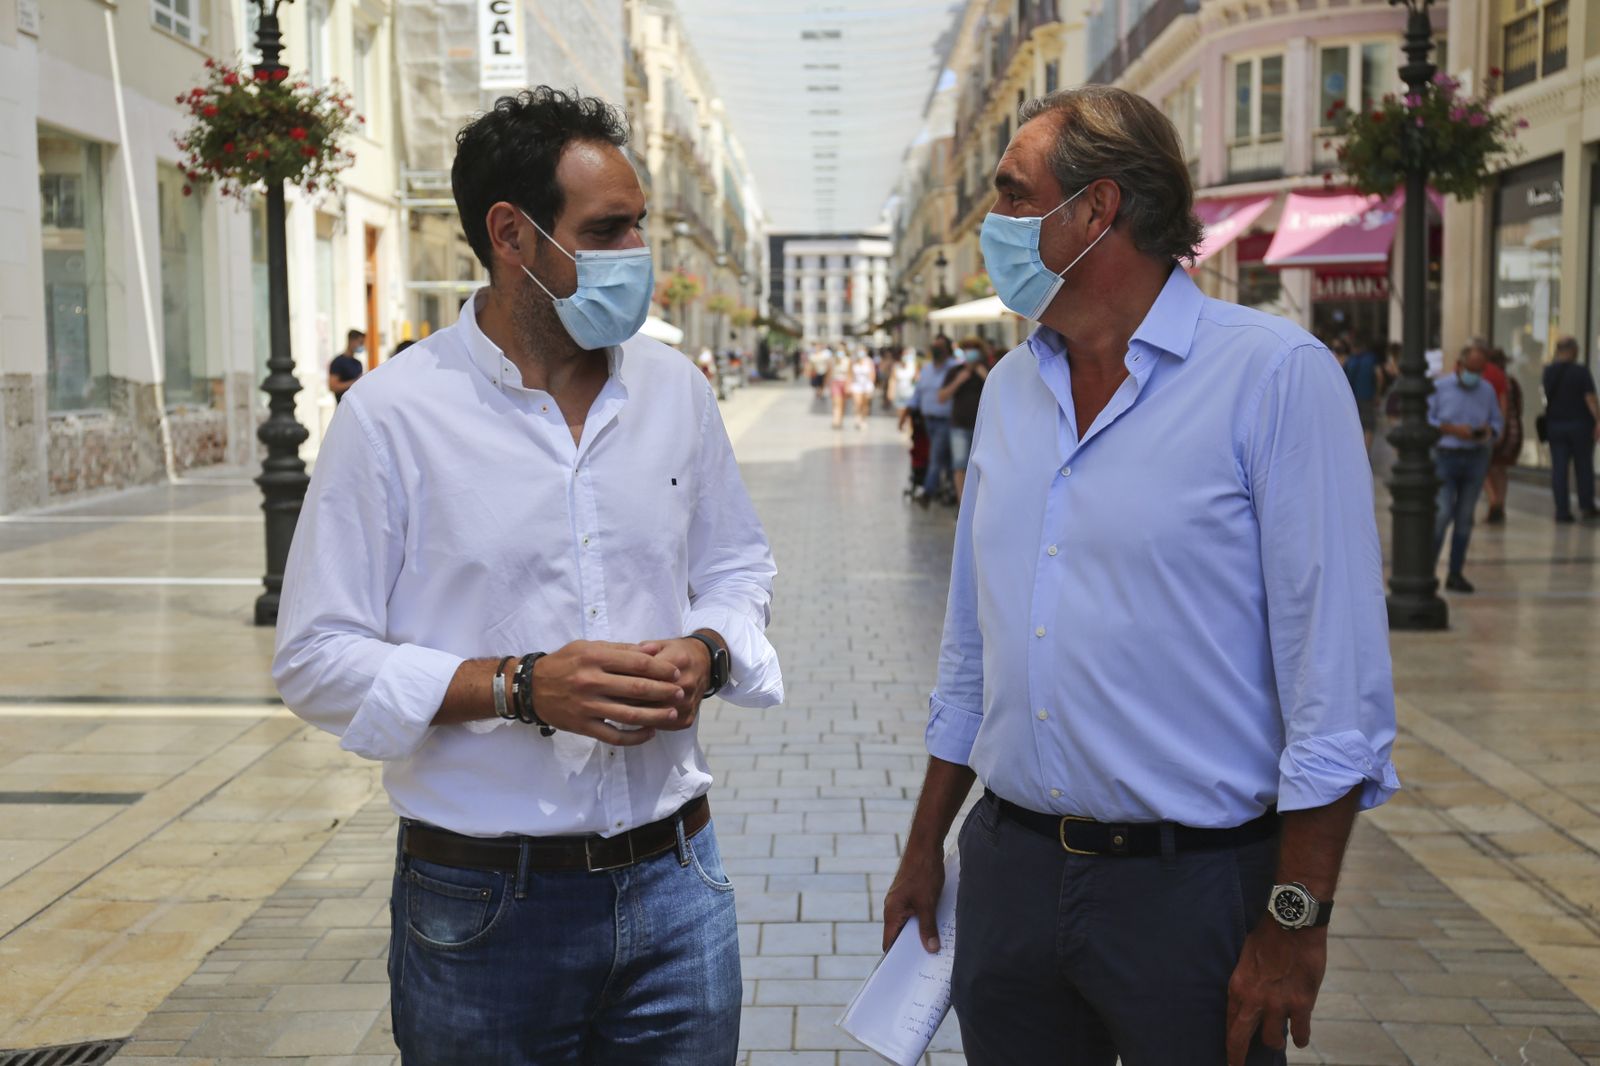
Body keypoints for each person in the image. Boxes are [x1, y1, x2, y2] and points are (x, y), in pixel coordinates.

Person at [880, 86, 1398, 1066]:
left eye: (1012, 194)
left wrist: (1296, 919)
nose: (992, 224)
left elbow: (1336, 691)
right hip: (1010, 872)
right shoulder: (1007, 394)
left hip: (1190, 891)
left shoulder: (1273, 379)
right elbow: (969, 656)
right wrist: (924, 850)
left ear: (1098, 209)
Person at [272, 87, 783, 1065]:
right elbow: (314, 657)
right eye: (608, 228)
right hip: (481, 908)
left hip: (678, 882)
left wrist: (709, 652)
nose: (638, 251)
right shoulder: (392, 417)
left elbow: (737, 565)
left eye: (639, 224)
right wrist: (516, 686)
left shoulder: (675, 390)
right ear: (512, 234)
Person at [1428, 344, 1503, 592]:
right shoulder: (1440, 387)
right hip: (1445, 456)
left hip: (1476, 457)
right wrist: (1452, 429)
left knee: (1464, 518)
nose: (1475, 375)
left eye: (1480, 370)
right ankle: (1427, 572)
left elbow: (1497, 421)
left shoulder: (1487, 390)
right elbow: (1428, 419)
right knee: (1442, 514)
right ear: (1459, 367)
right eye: (1471, 369)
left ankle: (1455, 573)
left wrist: (1489, 431)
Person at [1543, 335, 1600, 523]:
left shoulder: (1549, 372)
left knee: (1559, 468)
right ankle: (1586, 505)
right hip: (1580, 425)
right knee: (1583, 467)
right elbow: (1590, 399)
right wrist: (1598, 420)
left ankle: (1562, 511)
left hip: (1555, 425)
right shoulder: (1580, 372)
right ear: (1574, 350)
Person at [899, 336, 955, 505]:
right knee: (944, 457)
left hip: (946, 420)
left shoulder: (954, 368)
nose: (936, 350)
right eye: (934, 346)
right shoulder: (926, 369)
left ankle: (927, 492)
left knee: (935, 456)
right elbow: (918, 394)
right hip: (927, 421)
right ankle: (949, 488)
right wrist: (905, 415)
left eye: (940, 346)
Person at [938, 337, 990, 502]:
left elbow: (1001, 395)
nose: (971, 352)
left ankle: (980, 502)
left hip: (983, 427)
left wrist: (985, 377)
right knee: (960, 465)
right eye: (967, 348)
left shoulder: (989, 372)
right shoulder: (955, 371)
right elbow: (942, 397)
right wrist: (959, 381)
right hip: (959, 426)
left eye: (974, 348)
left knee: (983, 466)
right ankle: (962, 504)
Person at [1481, 346, 1521, 524]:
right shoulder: (1512, 381)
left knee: (1484, 467)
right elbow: (1519, 406)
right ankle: (1500, 505)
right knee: (1501, 468)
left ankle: (1494, 502)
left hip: (1496, 429)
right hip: (1514, 429)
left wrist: (1499, 429)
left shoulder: (1490, 381)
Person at [1342, 337, 1380, 451]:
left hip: (1352, 398)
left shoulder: (1350, 361)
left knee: (1354, 424)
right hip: (1367, 396)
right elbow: (1379, 376)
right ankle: (1366, 452)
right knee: (1368, 425)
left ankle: (1356, 450)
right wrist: (1377, 393)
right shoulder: (1371, 359)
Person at [329, 329, 366, 403]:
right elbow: (333, 386)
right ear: (351, 341)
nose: (362, 346)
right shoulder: (338, 362)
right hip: (343, 404)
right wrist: (355, 382)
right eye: (360, 343)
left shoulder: (358, 363)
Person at [851, 347, 877, 429]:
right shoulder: (854, 361)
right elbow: (850, 374)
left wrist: (871, 386)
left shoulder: (869, 361)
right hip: (856, 385)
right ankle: (857, 417)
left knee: (865, 404)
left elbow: (873, 373)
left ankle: (864, 419)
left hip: (867, 386)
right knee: (857, 403)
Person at [828, 345, 852, 429]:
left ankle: (840, 419)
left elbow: (849, 374)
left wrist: (848, 385)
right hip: (835, 382)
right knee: (836, 403)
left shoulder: (848, 360)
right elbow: (830, 373)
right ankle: (835, 420)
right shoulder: (833, 360)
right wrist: (829, 385)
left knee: (842, 403)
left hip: (844, 383)